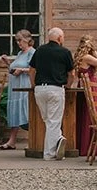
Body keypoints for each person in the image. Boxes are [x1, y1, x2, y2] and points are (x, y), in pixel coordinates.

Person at [31, 27, 73, 160]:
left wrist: (33, 85)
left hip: (39, 89)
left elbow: (31, 70)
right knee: (54, 122)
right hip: (55, 88)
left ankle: (58, 141)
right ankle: (49, 153)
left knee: (48, 121)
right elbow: (71, 73)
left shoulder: (39, 50)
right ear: (60, 38)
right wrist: (68, 85)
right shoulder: (65, 52)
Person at [73, 34, 97, 160]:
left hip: (84, 89)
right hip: (91, 89)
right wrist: (95, 51)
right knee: (90, 116)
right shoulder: (87, 57)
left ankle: (85, 145)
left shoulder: (79, 56)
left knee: (85, 116)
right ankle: (91, 147)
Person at [0, 29, 35, 149]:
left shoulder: (32, 52)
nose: (18, 43)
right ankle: (12, 141)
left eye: (20, 40)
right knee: (15, 112)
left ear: (27, 40)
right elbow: (13, 69)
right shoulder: (20, 54)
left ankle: (32, 140)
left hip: (24, 85)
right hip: (15, 86)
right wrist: (8, 63)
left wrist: (22, 70)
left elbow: (32, 69)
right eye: (17, 41)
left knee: (26, 112)